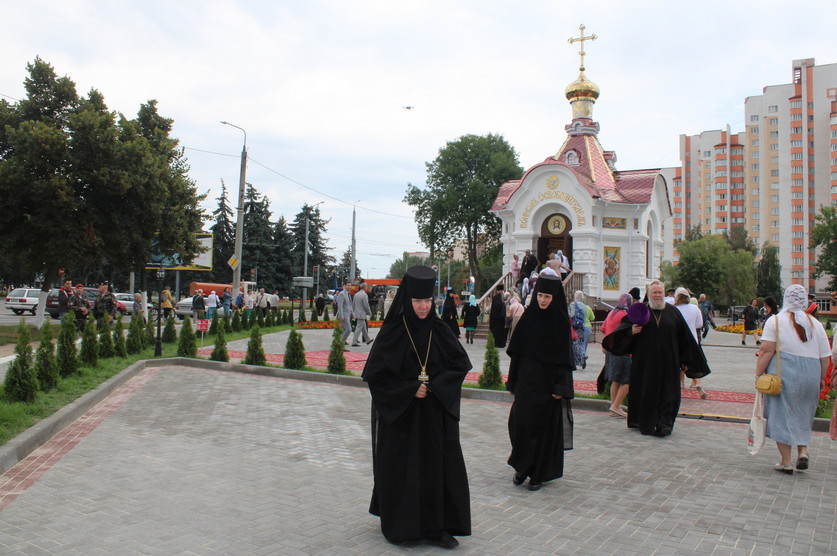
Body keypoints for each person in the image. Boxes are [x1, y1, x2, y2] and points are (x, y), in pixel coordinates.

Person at [362, 266, 472, 548]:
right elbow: (376, 376)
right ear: (407, 300)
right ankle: (404, 527)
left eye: (427, 301)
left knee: (437, 469)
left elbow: (460, 366)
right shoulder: (393, 332)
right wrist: (411, 389)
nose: (423, 307)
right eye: (417, 301)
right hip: (403, 418)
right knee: (406, 470)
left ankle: (439, 528)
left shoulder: (440, 330)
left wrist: (434, 385)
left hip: (435, 415)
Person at [602, 280, 710, 437]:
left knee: (669, 394)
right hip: (645, 364)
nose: (658, 296)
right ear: (649, 294)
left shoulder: (673, 312)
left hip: (669, 363)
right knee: (646, 393)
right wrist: (631, 331)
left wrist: (686, 361)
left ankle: (665, 423)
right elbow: (621, 331)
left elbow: (685, 338)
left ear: (664, 294)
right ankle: (645, 422)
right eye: (654, 293)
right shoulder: (640, 311)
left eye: (660, 293)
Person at [506, 274, 574, 491]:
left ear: (555, 298)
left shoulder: (561, 323)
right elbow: (516, 354)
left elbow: (565, 360)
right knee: (520, 425)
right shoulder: (528, 319)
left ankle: (537, 473)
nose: (543, 300)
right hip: (526, 383)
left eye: (547, 297)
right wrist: (512, 381)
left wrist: (561, 387)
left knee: (543, 430)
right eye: (540, 295)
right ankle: (522, 466)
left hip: (548, 386)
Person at [755, 284, 831, 474]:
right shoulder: (815, 324)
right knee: (804, 414)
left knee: (780, 414)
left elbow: (766, 350)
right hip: (811, 373)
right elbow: (825, 357)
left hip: (784, 373)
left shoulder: (775, 321)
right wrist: (822, 377)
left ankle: (786, 461)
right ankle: (803, 451)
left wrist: (758, 373)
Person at [600, 293, 632, 417]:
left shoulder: (611, 313)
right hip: (622, 351)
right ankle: (616, 406)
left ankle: (614, 408)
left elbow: (603, 329)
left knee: (616, 380)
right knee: (628, 380)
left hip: (610, 351)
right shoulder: (625, 315)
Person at [674, 287, 708, 399]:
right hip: (693, 341)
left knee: (678, 365)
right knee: (693, 365)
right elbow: (699, 324)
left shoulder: (674, 309)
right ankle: (697, 383)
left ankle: (679, 384)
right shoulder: (694, 308)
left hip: (677, 341)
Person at [570, 291, 594, 370]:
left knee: (574, 343)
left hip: (574, 326)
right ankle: (583, 355)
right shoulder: (584, 306)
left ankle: (575, 361)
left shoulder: (573, 304)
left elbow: (571, 315)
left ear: (575, 296)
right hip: (582, 326)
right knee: (581, 343)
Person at [489, 284, 508, 348]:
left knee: (500, 331)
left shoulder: (500, 298)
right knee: (496, 331)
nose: (501, 291)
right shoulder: (496, 298)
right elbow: (496, 307)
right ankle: (496, 343)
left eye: (502, 290)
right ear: (498, 291)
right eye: (500, 290)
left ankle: (500, 343)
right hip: (496, 319)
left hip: (500, 319)